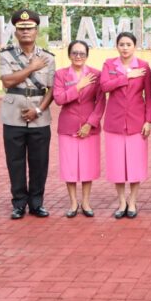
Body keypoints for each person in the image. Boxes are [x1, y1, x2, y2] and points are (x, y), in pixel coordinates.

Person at [0, 9, 55, 219]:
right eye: (21, 29)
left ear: (36, 31)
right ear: (16, 32)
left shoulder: (48, 57)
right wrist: (32, 67)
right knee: (15, 161)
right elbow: (7, 80)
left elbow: (52, 89)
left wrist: (38, 109)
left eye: (29, 28)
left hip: (40, 116)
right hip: (12, 115)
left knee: (39, 162)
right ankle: (19, 203)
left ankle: (37, 203)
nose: (25, 32)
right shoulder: (6, 54)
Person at [100, 32, 151, 219]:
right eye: (121, 44)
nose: (125, 47)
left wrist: (148, 121)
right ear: (117, 46)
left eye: (128, 44)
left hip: (136, 121)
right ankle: (122, 201)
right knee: (117, 165)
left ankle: (133, 201)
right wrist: (127, 75)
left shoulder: (144, 66)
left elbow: (149, 96)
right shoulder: (109, 64)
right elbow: (105, 86)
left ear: (135, 46)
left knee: (135, 164)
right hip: (114, 121)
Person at [52, 41, 106, 218]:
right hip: (68, 126)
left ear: (87, 55)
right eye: (74, 53)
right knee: (69, 166)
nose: (78, 56)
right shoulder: (60, 74)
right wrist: (78, 86)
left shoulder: (96, 75)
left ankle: (86, 202)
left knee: (87, 165)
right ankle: (73, 202)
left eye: (82, 53)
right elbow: (59, 99)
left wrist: (90, 124)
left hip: (89, 126)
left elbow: (100, 102)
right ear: (69, 55)